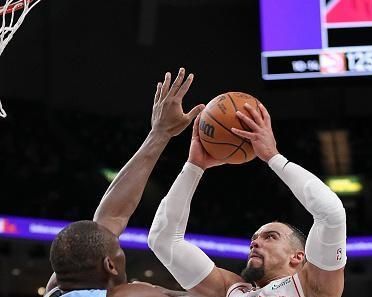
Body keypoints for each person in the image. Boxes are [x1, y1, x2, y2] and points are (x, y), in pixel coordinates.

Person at [148, 102, 347, 297]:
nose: (255, 243)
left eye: (270, 237)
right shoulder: (232, 289)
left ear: (297, 257)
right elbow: (163, 241)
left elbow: (331, 213)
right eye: (254, 238)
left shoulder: (311, 287)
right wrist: (194, 166)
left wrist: (273, 156)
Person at [45, 67, 205, 297]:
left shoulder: (56, 291)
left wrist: (159, 134)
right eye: (118, 250)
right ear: (110, 265)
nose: (122, 255)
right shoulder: (126, 295)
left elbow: (111, 217)